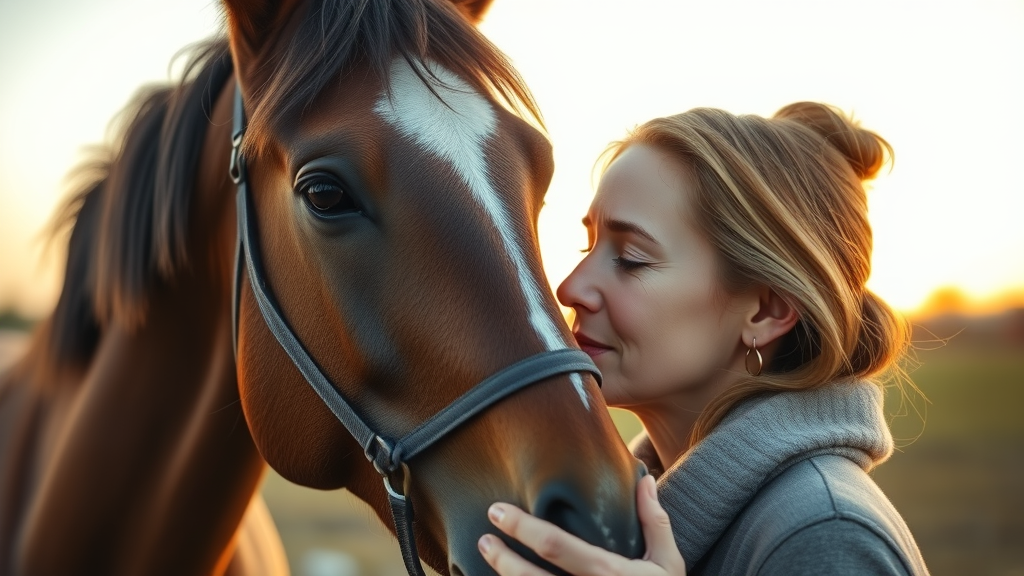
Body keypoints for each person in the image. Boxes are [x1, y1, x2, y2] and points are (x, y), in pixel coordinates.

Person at [476, 102, 930, 575]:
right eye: (588, 246)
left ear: (766, 309)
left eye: (631, 258)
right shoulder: (630, 518)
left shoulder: (826, 537)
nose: (570, 288)